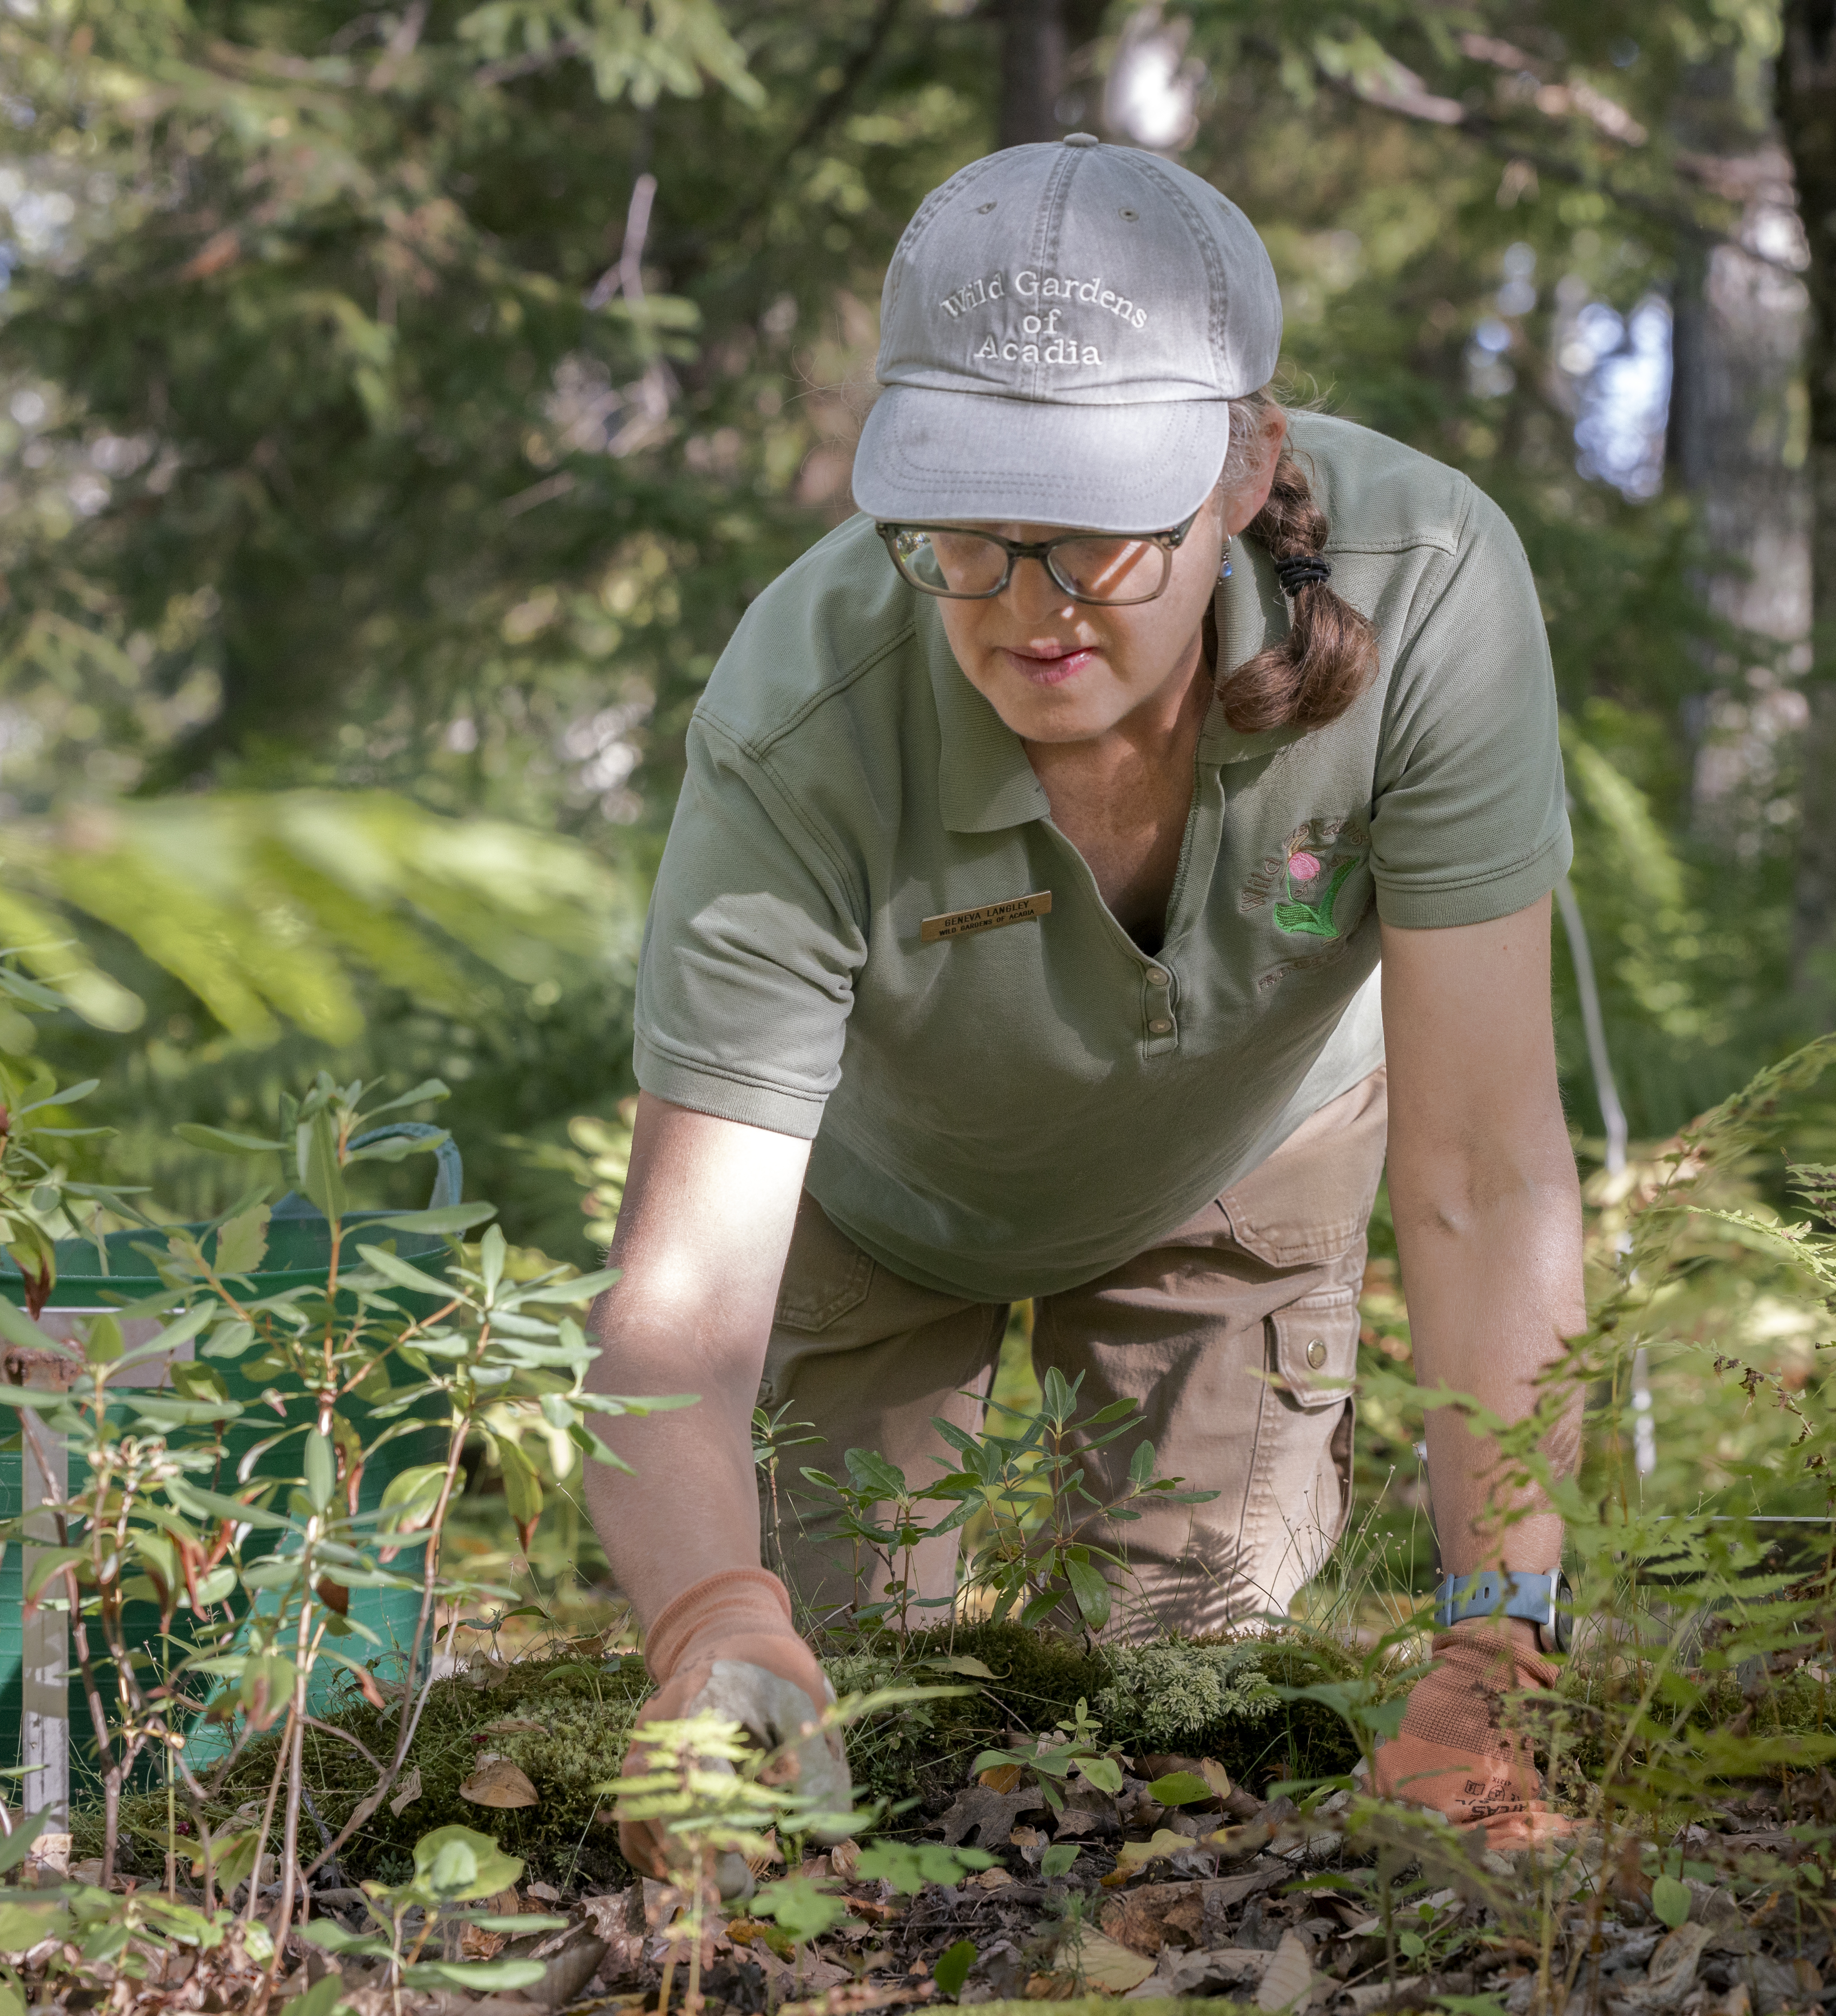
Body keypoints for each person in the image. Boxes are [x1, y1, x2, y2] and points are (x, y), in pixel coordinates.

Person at [582, 133, 1587, 1856]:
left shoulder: (1429, 598)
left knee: (1189, 1724)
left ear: (1240, 464)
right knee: (852, 1733)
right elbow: (677, 1305)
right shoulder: (805, 714)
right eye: (969, 533)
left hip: (1238, 1163)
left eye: (1101, 532)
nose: (1029, 605)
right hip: (874, 1209)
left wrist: (1501, 1644)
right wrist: (706, 1626)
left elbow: (1486, 1173)